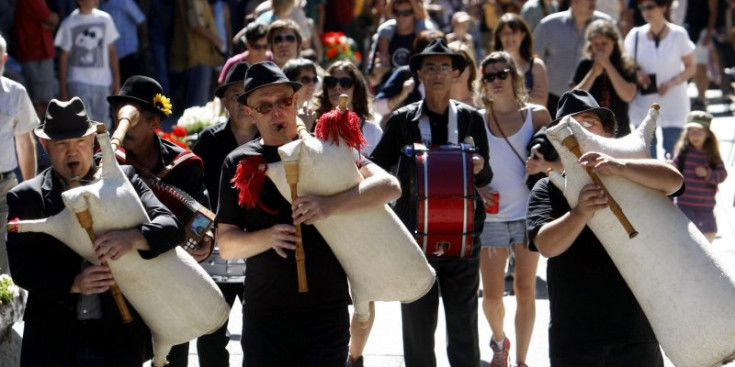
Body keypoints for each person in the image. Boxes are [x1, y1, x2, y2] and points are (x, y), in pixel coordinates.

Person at [216, 61, 401, 367]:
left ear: (297, 101)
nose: (277, 112)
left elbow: (388, 186)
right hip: (266, 316)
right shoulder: (238, 162)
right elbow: (227, 244)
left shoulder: (327, 152)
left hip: (326, 313)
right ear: (249, 113)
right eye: (265, 106)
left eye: (284, 102)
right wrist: (268, 237)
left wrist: (329, 206)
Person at [6, 97, 183, 367]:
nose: (72, 152)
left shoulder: (124, 181)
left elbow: (171, 227)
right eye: (61, 144)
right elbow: (22, 269)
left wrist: (133, 238)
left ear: (92, 140)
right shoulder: (26, 197)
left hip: (118, 338)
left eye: (79, 142)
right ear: (45, 146)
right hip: (54, 340)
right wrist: (73, 282)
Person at [526, 89, 684, 367]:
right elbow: (547, 246)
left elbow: (674, 181)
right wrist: (579, 213)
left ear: (607, 133)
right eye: (571, 126)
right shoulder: (547, 188)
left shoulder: (633, 172)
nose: (579, 131)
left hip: (637, 333)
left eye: (588, 122)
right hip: (575, 339)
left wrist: (620, 168)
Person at [370, 39, 493, 367]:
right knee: (417, 326)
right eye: (430, 67)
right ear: (419, 74)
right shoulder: (401, 121)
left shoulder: (471, 119)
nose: (437, 74)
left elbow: (486, 175)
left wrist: (479, 165)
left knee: (464, 322)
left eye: (444, 67)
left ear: (456, 74)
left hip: (464, 237)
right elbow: (375, 168)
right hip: (414, 237)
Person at [107, 75, 212, 366]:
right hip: (121, 271)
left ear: (155, 122)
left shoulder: (183, 163)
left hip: (170, 275)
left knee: (172, 355)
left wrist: (203, 240)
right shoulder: (106, 159)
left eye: (133, 118)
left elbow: (203, 213)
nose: (123, 125)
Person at [477, 51, 553, 367]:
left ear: (514, 77)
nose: (496, 81)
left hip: (528, 215)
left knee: (525, 289)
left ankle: (520, 361)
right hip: (492, 217)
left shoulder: (537, 116)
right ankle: (499, 341)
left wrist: (544, 164)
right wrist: (477, 186)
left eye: (501, 74)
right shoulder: (476, 119)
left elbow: (561, 164)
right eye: (489, 76)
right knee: (492, 296)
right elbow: (466, 166)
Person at [190, 63, 256, 367]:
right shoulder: (209, 141)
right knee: (211, 328)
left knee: (261, 330)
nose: (242, 103)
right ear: (226, 101)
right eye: (235, 96)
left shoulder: (276, 139)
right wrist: (198, 235)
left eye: (248, 95)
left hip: (260, 248)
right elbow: (195, 196)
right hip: (216, 248)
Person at [623, 0, 695, 158]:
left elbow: (691, 67)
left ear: (663, 7)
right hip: (644, 103)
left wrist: (672, 83)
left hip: (673, 102)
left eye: (650, 7)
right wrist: (637, 72)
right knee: (647, 157)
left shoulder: (678, 34)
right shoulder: (635, 35)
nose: (646, 11)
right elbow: (625, 62)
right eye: (642, 8)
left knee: (674, 156)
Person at [533, 0, 613, 117]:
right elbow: (534, 60)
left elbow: (621, 56)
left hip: (594, 101)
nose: (593, 2)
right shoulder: (548, 25)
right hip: (553, 100)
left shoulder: (605, 24)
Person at [0, 35, 38, 274]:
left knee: (4, 253)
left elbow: (25, 143)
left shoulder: (16, 93)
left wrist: (30, 188)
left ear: (3, 59)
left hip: (4, 184)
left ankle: (4, 307)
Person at [54, 0, 120, 126]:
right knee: (83, 123)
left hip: (102, 81)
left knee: (103, 123)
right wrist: (62, 88)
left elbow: (111, 50)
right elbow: (63, 56)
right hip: (77, 80)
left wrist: (117, 78)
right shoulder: (68, 23)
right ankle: (88, 146)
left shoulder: (105, 19)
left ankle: (102, 146)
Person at [572, 19, 637, 137]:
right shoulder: (585, 65)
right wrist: (592, 74)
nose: (600, 48)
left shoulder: (625, 64)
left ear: (613, 41)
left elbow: (628, 95)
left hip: (619, 130)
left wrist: (608, 66)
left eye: (604, 43)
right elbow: (574, 99)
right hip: (589, 131)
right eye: (596, 44)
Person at [672, 111, 727, 243]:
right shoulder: (684, 153)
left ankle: (705, 257)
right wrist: (670, 166)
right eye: (691, 131)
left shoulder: (712, 155)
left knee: (710, 232)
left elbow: (722, 175)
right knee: (690, 234)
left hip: (706, 204)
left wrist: (707, 173)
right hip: (685, 204)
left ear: (707, 134)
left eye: (699, 131)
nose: (694, 135)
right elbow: (673, 170)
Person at [313, 60, 383, 156]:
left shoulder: (373, 132)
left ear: (357, 89)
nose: (337, 87)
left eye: (345, 82)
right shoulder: (313, 126)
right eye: (331, 82)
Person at [170, 0, 224, 110]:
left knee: (199, 103)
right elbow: (196, 25)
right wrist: (217, 42)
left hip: (203, 56)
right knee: (197, 106)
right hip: (199, 57)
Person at [12, 0, 59, 119]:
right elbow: (51, 19)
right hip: (37, 54)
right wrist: (54, 19)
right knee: (42, 103)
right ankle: (38, 135)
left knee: (42, 100)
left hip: (36, 54)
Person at [494, 13, 549, 107]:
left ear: (523, 35)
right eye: (505, 33)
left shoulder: (537, 66)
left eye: (514, 32)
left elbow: (540, 102)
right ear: (499, 36)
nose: (510, 37)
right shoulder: (491, 67)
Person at [283, 58, 320, 129]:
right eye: (306, 80)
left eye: (314, 80)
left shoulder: (316, 112)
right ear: (290, 82)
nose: (312, 85)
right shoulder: (278, 111)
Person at [449, 41, 478, 107]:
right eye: (452, 65)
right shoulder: (437, 106)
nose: (457, 70)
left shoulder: (483, 102)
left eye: (461, 63)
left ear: (470, 68)